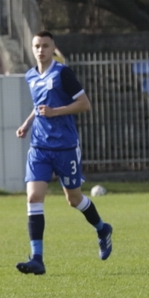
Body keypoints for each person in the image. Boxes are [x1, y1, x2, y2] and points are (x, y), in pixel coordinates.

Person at [15, 31, 112, 275]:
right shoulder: (30, 75)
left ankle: (102, 228)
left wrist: (55, 112)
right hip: (39, 147)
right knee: (34, 198)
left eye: (45, 46)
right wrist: (28, 123)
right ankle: (37, 257)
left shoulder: (62, 73)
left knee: (74, 199)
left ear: (52, 47)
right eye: (37, 46)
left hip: (65, 146)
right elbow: (40, 107)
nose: (40, 50)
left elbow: (84, 104)